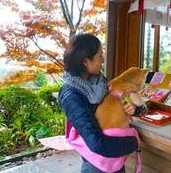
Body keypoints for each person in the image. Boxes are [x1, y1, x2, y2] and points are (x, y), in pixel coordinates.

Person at [58, 34, 138, 173]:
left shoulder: (99, 81)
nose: (102, 60)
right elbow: (97, 143)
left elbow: (117, 104)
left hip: (115, 160)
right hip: (97, 165)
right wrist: (134, 142)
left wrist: (130, 108)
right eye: (99, 56)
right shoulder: (71, 95)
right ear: (85, 61)